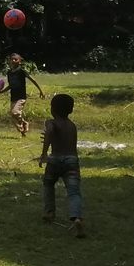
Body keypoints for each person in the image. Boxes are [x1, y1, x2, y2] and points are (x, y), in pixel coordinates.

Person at [40, 94, 85, 238]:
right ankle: (76, 218)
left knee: (48, 184)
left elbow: (50, 131)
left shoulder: (51, 123)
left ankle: (49, 212)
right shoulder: (72, 126)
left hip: (55, 159)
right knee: (73, 192)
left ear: (52, 109)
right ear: (70, 110)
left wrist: (44, 153)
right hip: (71, 160)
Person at [0, 53, 44, 137]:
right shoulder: (9, 73)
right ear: (9, 61)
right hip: (13, 97)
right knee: (13, 116)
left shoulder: (22, 71)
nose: (13, 60)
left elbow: (33, 80)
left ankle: (24, 124)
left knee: (14, 112)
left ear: (20, 61)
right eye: (11, 59)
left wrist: (40, 91)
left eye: (15, 59)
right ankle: (23, 131)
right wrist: (1, 91)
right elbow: (11, 85)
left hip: (21, 97)